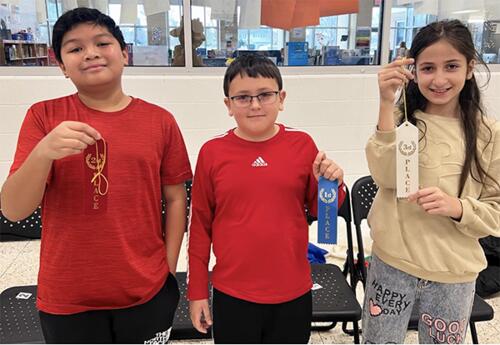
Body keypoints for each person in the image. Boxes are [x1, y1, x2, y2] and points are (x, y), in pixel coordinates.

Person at [0, 8, 192, 343]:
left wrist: (168, 268)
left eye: (102, 43)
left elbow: (176, 197)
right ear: (60, 65)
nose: (90, 53)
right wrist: (44, 152)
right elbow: (13, 210)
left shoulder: (160, 121)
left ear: (124, 53)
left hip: (145, 290)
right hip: (68, 296)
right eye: (75, 48)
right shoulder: (44, 116)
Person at [187, 54, 346, 343]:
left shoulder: (302, 145)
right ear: (228, 104)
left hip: (293, 291)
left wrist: (334, 184)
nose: (256, 105)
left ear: (281, 98)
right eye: (243, 97)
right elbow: (199, 227)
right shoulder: (212, 153)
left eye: (265, 95)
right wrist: (197, 291)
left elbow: (323, 211)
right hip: (233, 292)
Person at [363, 19, 500, 344]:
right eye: (427, 68)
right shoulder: (401, 119)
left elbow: (496, 210)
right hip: (392, 263)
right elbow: (383, 175)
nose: (439, 79)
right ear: (413, 71)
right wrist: (385, 102)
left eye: (451, 66)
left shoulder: (488, 134)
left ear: (470, 68)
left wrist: (458, 207)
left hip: (454, 272)